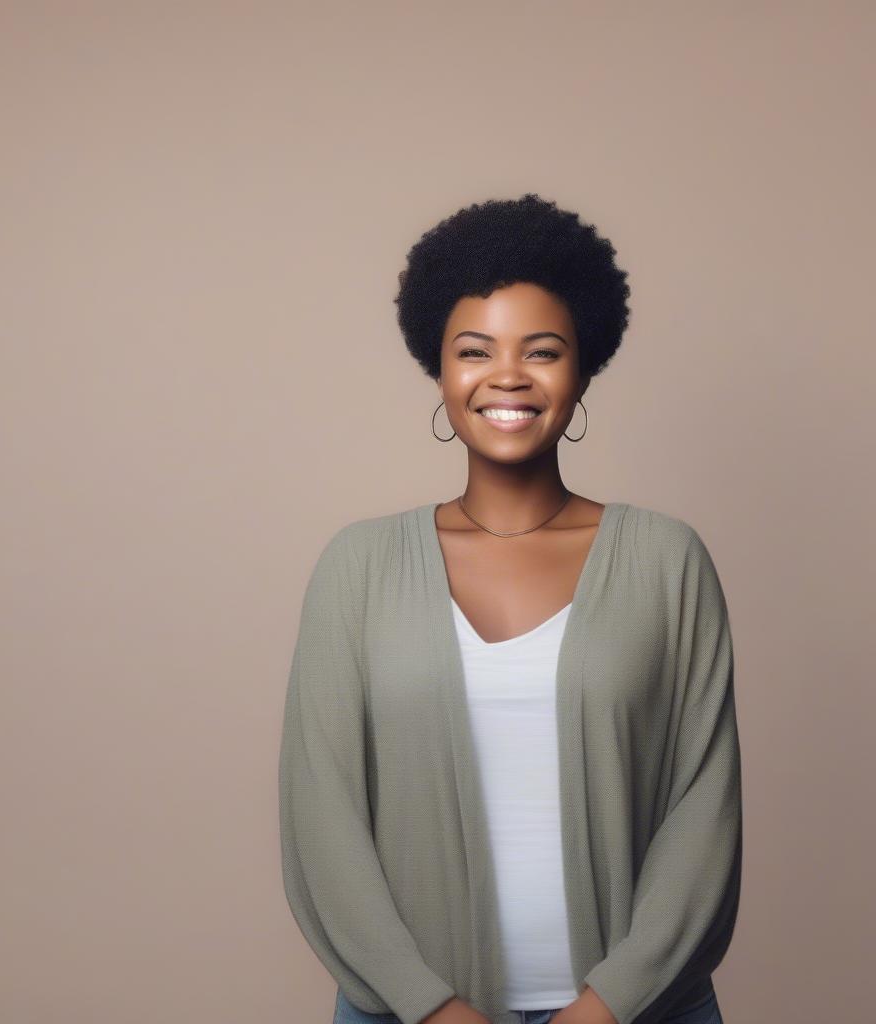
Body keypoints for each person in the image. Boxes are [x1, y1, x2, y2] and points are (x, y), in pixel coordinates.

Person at [279, 194, 742, 1024]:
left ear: (582, 369)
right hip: (405, 1015)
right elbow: (324, 817)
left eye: (543, 350)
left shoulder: (666, 562)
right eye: (474, 350)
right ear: (440, 368)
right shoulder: (358, 568)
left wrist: (605, 1008)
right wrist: (431, 1007)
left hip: (641, 1013)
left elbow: (701, 808)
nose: (507, 376)